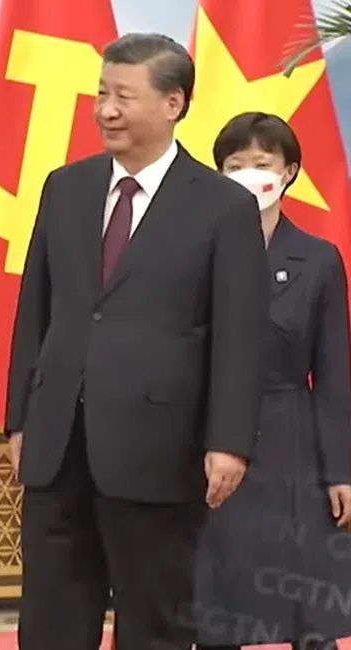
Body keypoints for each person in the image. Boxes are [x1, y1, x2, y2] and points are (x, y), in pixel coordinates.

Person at [5, 34, 269, 650]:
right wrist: (21, 417)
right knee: (49, 619)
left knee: (155, 619)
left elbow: (239, 335)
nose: (106, 110)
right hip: (58, 444)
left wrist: (229, 442)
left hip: (160, 448)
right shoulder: (65, 187)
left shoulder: (224, 206)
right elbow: (35, 311)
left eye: (123, 96)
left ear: (173, 103)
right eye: (102, 94)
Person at [194, 112, 351, 650]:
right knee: (217, 603)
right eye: (234, 165)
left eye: (262, 164)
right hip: (210, 437)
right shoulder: (195, 253)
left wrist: (340, 472)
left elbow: (333, 374)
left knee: (306, 602)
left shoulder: (319, 259)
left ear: (289, 173)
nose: (249, 176)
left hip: (291, 439)